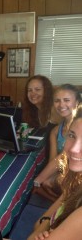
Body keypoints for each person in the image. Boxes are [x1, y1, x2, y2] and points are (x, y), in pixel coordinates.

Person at [27, 105, 82, 240]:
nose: (74, 149)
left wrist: (45, 228)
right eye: (72, 135)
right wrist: (46, 227)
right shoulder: (76, 183)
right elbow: (38, 224)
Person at [33, 84, 81, 202]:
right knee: (48, 182)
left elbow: (63, 155)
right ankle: (60, 203)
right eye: (57, 101)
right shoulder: (55, 131)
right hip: (63, 167)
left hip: (77, 170)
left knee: (48, 182)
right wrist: (52, 177)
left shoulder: (79, 127)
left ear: (77, 102)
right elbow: (53, 160)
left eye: (66, 100)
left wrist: (38, 180)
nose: (61, 105)